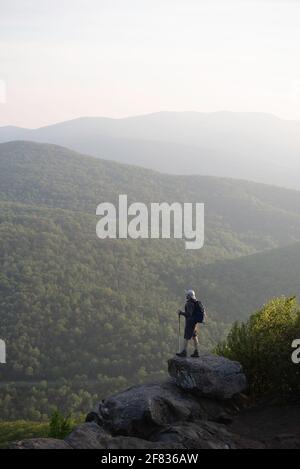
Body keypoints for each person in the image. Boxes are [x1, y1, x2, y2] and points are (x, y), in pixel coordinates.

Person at [176, 289, 206, 358]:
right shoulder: (195, 302)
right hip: (194, 323)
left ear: (189, 296)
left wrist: (181, 313)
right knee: (194, 336)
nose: (186, 296)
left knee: (186, 337)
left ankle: (184, 352)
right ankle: (196, 352)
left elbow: (189, 314)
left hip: (190, 322)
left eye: (187, 295)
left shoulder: (189, 303)